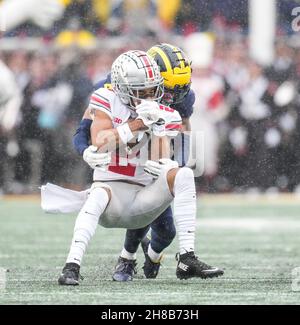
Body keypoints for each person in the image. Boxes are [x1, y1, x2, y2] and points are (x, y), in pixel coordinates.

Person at [55, 50, 223, 285]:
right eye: (169, 87)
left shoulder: (172, 100)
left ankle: (184, 258)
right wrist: (86, 149)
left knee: (167, 229)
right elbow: (89, 132)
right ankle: (98, 261)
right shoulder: (108, 92)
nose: (171, 95)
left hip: (146, 175)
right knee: (104, 201)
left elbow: (180, 130)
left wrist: (173, 164)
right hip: (113, 182)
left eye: (178, 88)